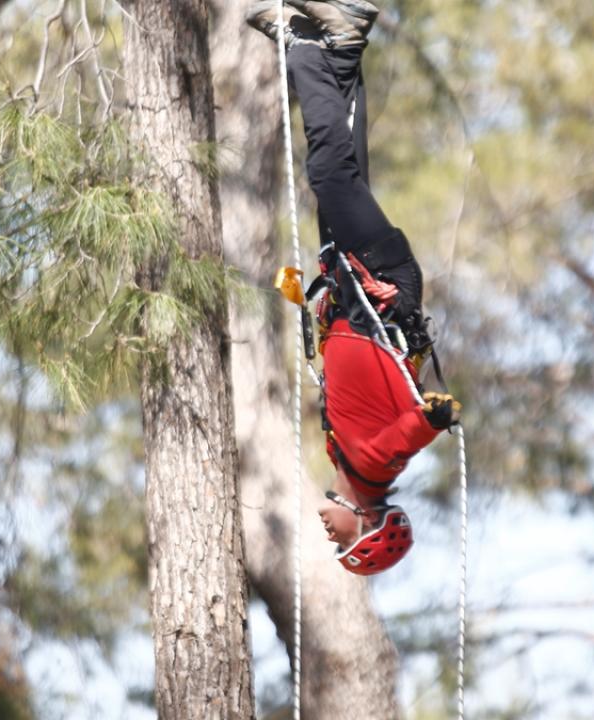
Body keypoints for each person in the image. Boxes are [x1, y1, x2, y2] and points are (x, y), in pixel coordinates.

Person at [248, 0, 462, 575]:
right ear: (366, 522)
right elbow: (406, 434)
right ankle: (314, 48)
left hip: (351, 292)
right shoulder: (373, 467)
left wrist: (311, 306)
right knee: (330, 174)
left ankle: (332, 51)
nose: (327, 532)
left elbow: (354, 386)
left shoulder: (341, 456)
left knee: (343, 168)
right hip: (381, 287)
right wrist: (435, 419)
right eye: (340, 541)